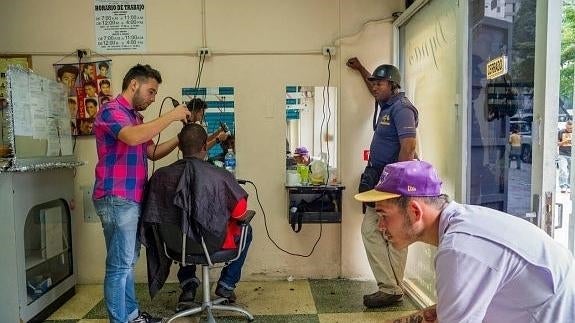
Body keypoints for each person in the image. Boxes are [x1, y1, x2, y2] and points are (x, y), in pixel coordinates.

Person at [355, 160, 575, 322]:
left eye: (384, 215)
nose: (379, 226)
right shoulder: (461, 222)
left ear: (414, 211)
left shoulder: (459, 250)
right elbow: (447, 312)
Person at [92, 64, 191, 323]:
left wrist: (180, 140)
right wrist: (172, 115)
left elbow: (152, 152)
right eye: (151, 91)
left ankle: (132, 315)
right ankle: (120, 320)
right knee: (120, 266)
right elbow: (133, 139)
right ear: (134, 84)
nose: (153, 98)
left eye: (156, 94)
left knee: (126, 262)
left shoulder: (135, 118)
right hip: (116, 197)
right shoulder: (111, 111)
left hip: (132, 198)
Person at [141, 123, 252, 310]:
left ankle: (188, 287)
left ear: (179, 147)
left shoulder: (160, 177)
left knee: (182, 224)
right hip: (214, 244)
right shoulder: (221, 175)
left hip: (176, 245)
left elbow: (152, 215)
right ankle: (226, 285)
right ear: (204, 147)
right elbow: (240, 213)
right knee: (246, 230)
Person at [347, 57, 418, 308]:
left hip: (392, 181)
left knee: (389, 231)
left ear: (393, 85)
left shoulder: (402, 109)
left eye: (380, 83)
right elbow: (373, 87)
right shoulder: (387, 104)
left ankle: (390, 288)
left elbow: (408, 148)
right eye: (374, 83)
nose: (375, 87)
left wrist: (395, 184)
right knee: (382, 231)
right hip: (378, 177)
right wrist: (360, 70)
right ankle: (393, 287)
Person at [558, 120, 572, 193]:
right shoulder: (561, 132)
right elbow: (557, 143)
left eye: (571, 129)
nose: (569, 130)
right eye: (568, 128)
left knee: (571, 171)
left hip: (572, 154)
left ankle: (570, 186)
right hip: (562, 154)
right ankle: (563, 185)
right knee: (563, 170)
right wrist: (564, 142)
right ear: (565, 126)